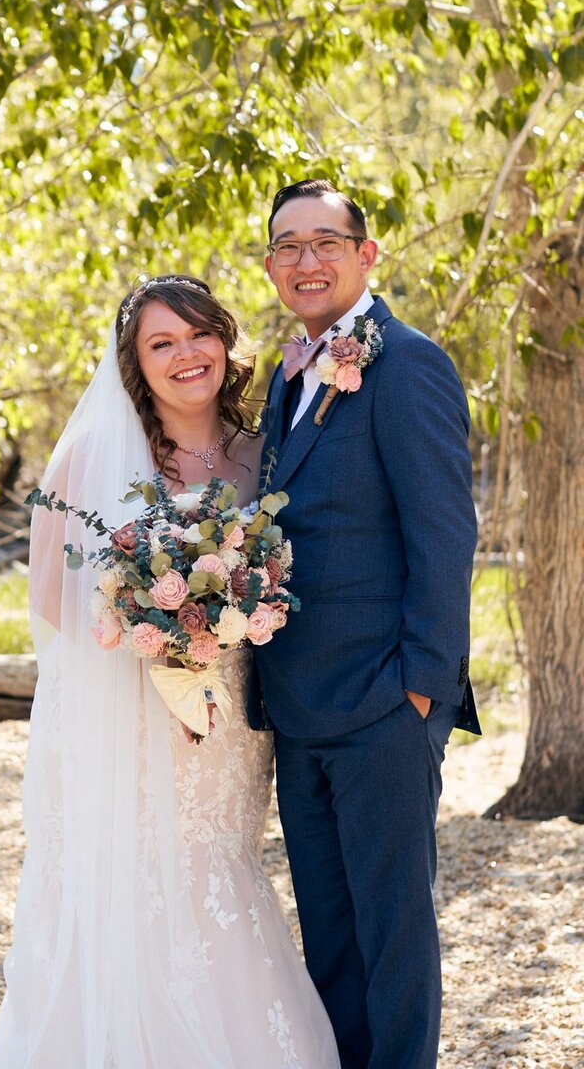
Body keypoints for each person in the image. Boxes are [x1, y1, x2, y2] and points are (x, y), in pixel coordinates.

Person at [0, 275, 340, 1069]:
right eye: (161, 343)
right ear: (134, 365)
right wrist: (154, 633)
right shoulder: (90, 456)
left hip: (230, 724)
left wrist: (232, 623)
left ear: (225, 340)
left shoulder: (264, 451)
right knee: (136, 877)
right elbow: (51, 598)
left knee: (218, 870)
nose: (186, 354)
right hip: (132, 711)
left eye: (198, 334)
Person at [249, 180, 481, 1069]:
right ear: (271, 265)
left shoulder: (408, 362)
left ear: (365, 254)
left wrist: (421, 685)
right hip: (300, 709)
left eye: (325, 242)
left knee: (393, 936)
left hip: (386, 703)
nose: (305, 261)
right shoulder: (289, 374)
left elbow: (444, 533)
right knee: (331, 941)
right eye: (287, 247)